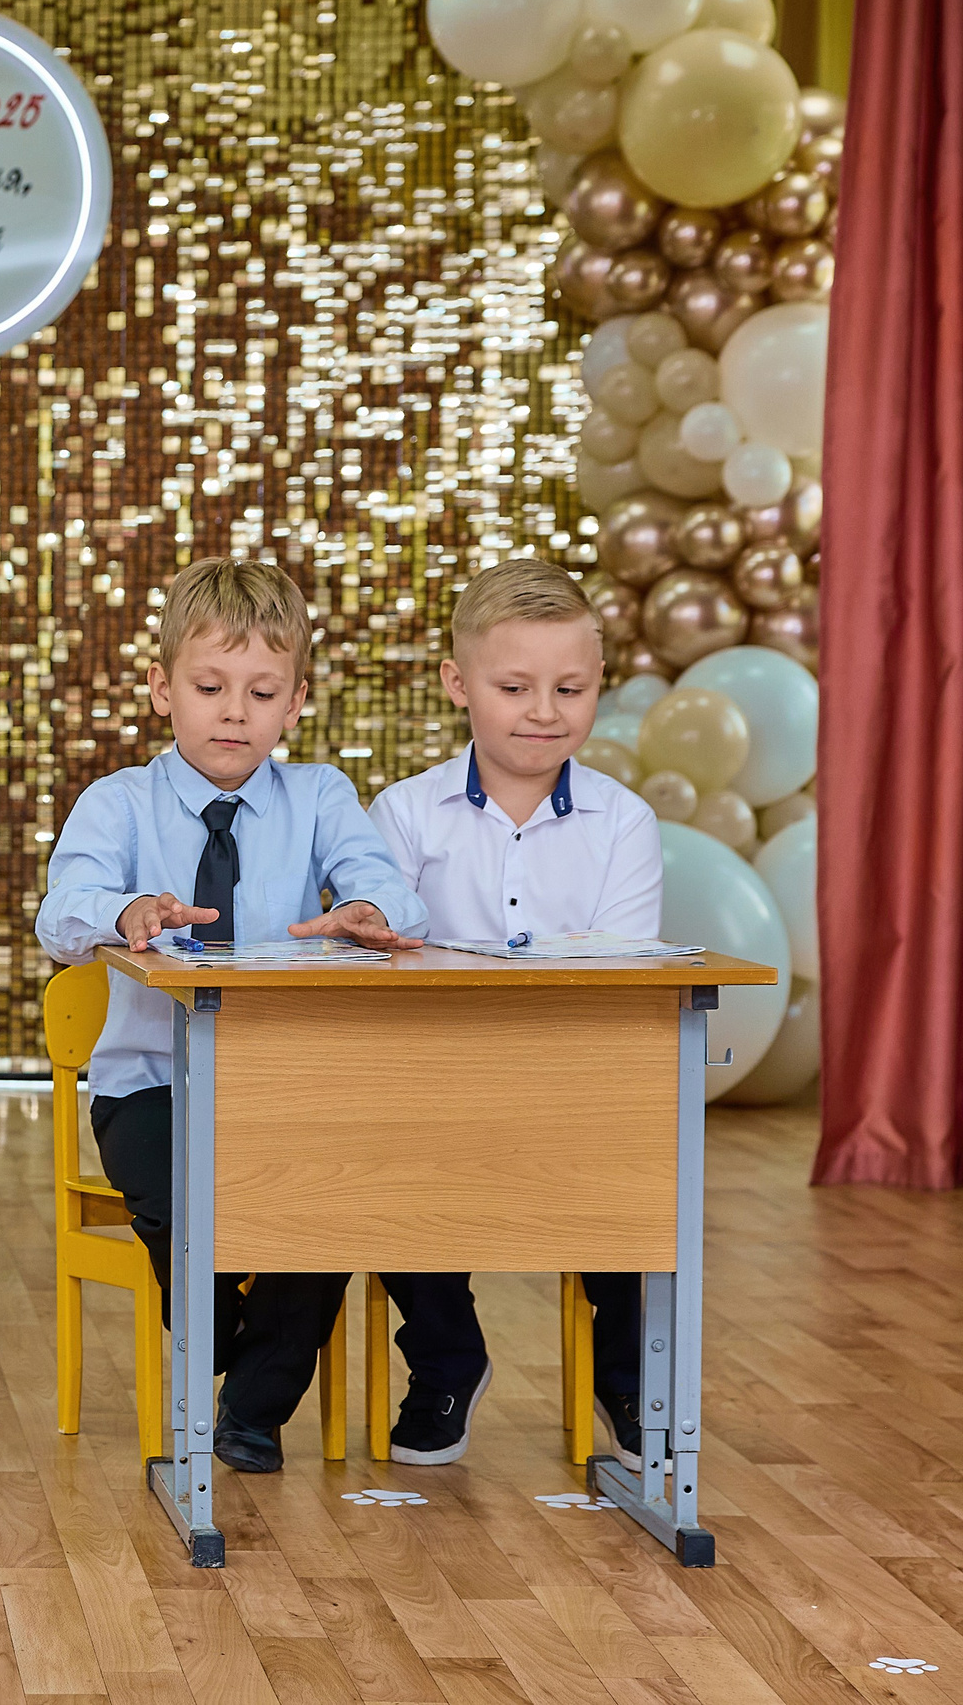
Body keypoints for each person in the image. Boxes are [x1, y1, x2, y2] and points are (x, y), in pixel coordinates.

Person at [36, 556, 429, 1473]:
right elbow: (62, 913)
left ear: (295, 702)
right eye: (210, 686)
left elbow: (390, 891)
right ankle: (211, 1326)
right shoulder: (121, 802)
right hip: (152, 1086)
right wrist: (125, 914)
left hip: (282, 1089)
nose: (233, 712)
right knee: (191, 1206)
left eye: (261, 692)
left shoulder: (320, 794)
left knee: (325, 1212)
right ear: (160, 687)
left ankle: (251, 1410)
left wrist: (368, 914)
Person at [367, 559, 658, 1470]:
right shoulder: (404, 814)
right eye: (515, 687)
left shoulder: (624, 823)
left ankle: (626, 1372)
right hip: (436, 1086)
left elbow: (623, 980)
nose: (544, 711)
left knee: (640, 1159)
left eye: (569, 688)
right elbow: (384, 967)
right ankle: (449, 1358)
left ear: (598, 685)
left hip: (577, 1084)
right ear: (459, 684)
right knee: (374, 1156)